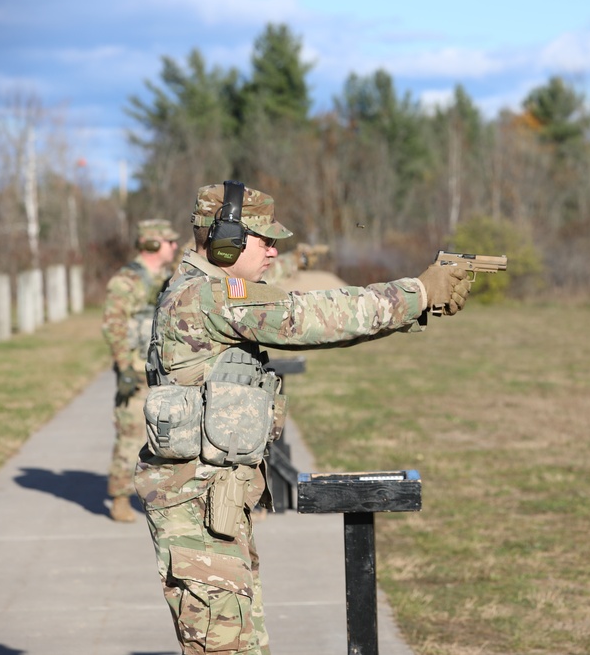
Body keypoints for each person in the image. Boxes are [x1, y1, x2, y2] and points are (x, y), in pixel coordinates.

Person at [134, 181, 470, 654]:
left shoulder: (203, 289)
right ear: (224, 237)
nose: (274, 251)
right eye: (263, 239)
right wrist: (416, 293)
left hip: (210, 502)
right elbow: (307, 318)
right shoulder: (210, 295)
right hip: (197, 506)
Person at [101, 219, 179, 522]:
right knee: (131, 434)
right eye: (169, 241)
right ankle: (120, 498)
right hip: (136, 369)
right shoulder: (127, 281)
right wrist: (124, 368)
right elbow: (113, 324)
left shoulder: (167, 276)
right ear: (151, 244)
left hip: (162, 368)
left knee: (169, 436)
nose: (175, 246)